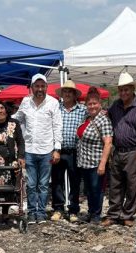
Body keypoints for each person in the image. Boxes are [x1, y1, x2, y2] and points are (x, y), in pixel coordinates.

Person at [102, 72, 136, 227]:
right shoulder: (115, 105)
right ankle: (113, 214)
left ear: (132, 89)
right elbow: (107, 118)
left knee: (132, 185)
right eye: (121, 90)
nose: (124, 93)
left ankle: (127, 214)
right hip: (118, 150)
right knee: (115, 184)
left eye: (127, 89)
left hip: (134, 150)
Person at [12, 74, 62, 225]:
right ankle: (32, 212)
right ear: (32, 87)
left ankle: (41, 212)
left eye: (42, 86)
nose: (40, 89)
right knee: (31, 184)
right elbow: (18, 117)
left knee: (44, 184)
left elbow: (57, 125)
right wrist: (1, 118)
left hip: (46, 149)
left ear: (46, 87)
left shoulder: (53, 103)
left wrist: (57, 148)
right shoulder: (26, 102)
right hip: (29, 149)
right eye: (37, 86)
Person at [50, 80, 86, 222]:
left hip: (75, 151)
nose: (67, 94)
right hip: (58, 150)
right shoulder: (56, 109)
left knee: (75, 181)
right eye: (65, 91)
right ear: (62, 94)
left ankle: (73, 210)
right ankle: (58, 208)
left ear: (74, 94)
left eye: (70, 92)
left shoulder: (82, 110)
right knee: (57, 181)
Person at [76, 88, 113, 224]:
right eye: (89, 104)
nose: (92, 106)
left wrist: (102, 164)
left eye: (94, 103)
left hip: (97, 162)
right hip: (84, 162)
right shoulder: (87, 118)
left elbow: (108, 143)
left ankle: (96, 215)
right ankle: (91, 212)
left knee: (97, 190)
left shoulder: (104, 120)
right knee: (89, 190)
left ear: (100, 104)